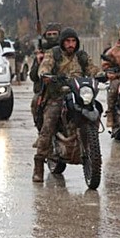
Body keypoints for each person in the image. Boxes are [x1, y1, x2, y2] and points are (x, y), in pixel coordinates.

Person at [32, 27, 99, 182]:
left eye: (73, 41)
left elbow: (92, 68)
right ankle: (39, 165)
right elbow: (45, 67)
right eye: (67, 41)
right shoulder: (53, 54)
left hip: (78, 94)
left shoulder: (81, 56)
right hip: (57, 95)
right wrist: (45, 74)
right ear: (62, 42)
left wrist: (100, 74)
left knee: (95, 109)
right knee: (48, 125)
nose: (70, 44)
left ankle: (92, 147)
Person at [29, 22, 62, 133]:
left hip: (62, 88)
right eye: (49, 34)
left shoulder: (65, 51)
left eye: (55, 34)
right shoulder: (41, 52)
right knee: (35, 103)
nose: (52, 37)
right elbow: (33, 77)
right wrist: (39, 62)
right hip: (44, 90)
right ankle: (41, 132)